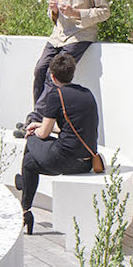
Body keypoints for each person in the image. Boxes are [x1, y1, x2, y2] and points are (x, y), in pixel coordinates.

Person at [15, 47, 105, 234]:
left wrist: (35, 128)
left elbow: (43, 134)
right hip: (85, 163)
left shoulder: (55, 95)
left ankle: (25, 195)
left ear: (53, 77)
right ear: (72, 73)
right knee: (30, 163)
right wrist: (40, 124)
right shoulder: (87, 94)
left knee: (30, 139)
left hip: (62, 160)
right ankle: (26, 208)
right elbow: (68, 128)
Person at [31, 0, 112, 113]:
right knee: (40, 69)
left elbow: (105, 12)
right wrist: (53, 11)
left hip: (79, 36)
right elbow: (53, 15)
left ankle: (40, 119)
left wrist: (77, 13)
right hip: (58, 35)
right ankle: (38, 115)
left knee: (54, 75)